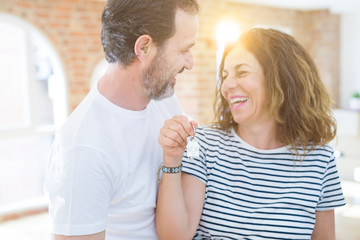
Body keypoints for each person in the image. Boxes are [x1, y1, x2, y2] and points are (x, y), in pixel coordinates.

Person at [156, 28, 346, 240]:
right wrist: (172, 160)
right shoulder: (204, 143)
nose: (226, 86)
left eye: (242, 72)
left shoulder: (320, 160)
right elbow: (174, 236)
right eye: (225, 75)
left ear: (281, 78)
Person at [44, 0, 199, 239]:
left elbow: (192, 160)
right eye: (182, 50)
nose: (190, 63)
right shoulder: (82, 149)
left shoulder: (164, 99)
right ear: (144, 47)